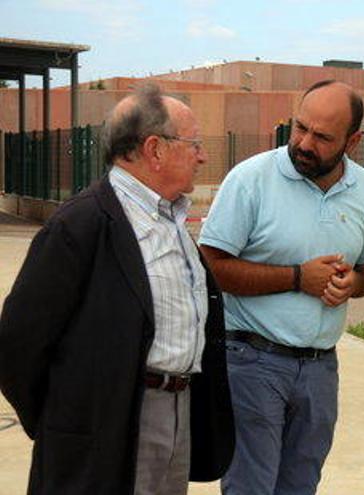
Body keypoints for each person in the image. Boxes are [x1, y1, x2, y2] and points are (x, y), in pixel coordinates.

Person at [0, 83, 234, 495]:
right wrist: (67, 423)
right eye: (194, 143)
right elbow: (18, 342)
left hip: (177, 411)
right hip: (111, 419)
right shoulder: (80, 225)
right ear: (155, 149)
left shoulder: (172, 221)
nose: (203, 155)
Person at [198, 80, 364, 495]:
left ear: (353, 141)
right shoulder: (250, 179)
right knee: (251, 487)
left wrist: (353, 282)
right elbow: (210, 268)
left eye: (322, 137)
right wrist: (299, 278)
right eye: (300, 127)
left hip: (321, 370)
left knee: (301, 486)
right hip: (250, 361)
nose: (303, 143)